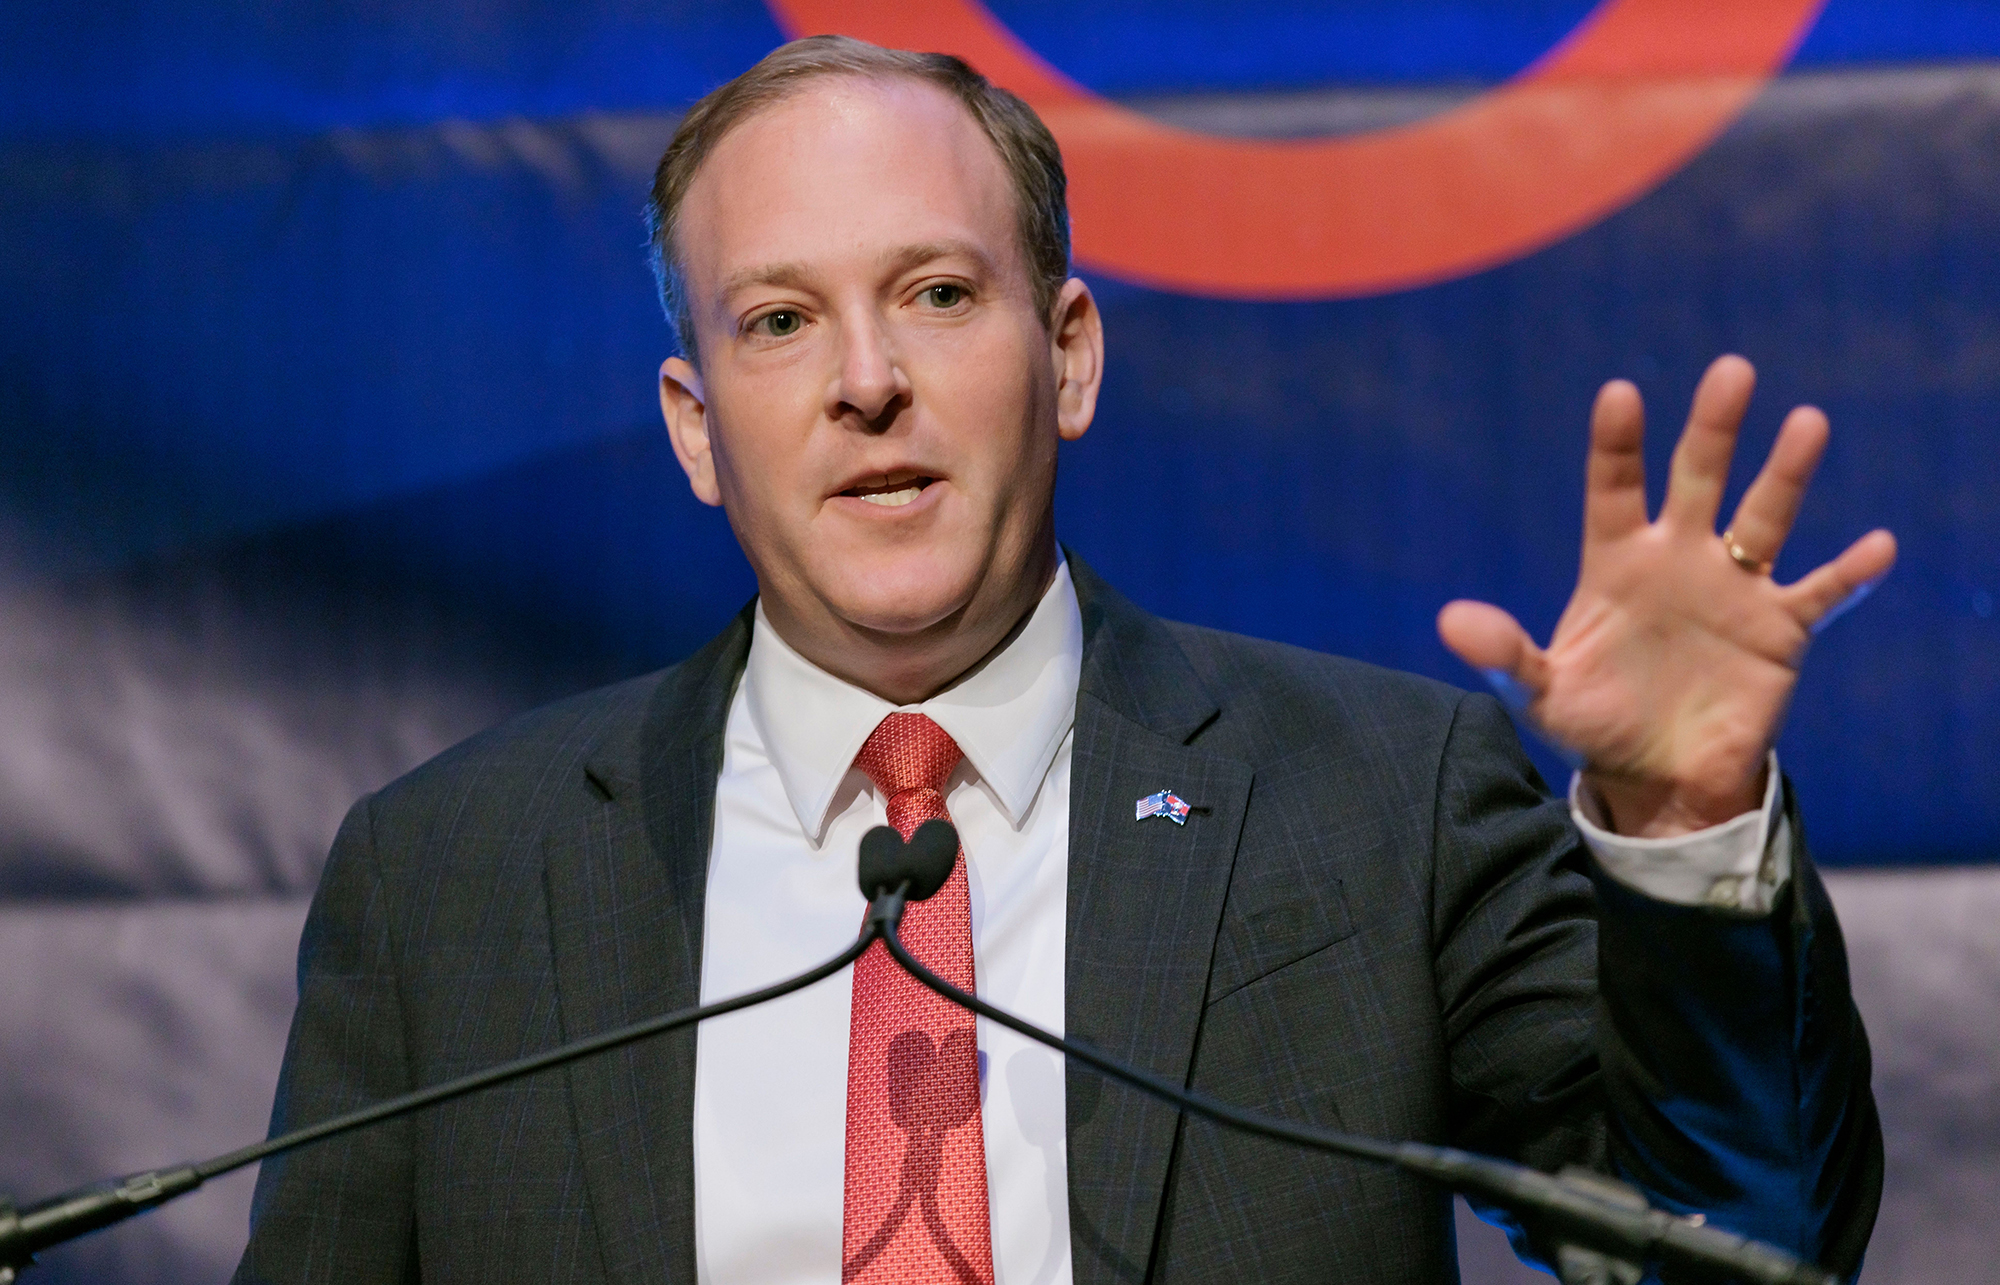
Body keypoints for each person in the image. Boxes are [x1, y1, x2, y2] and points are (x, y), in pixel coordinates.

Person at [235, 35, 1889, 1285]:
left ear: (1071, 354)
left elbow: (1734, 1254)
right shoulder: (449, 875)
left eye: (939, 292)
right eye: (780, 321)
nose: (866, 380)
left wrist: (1680, 826)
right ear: (695, 429)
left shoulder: (1383, 798)